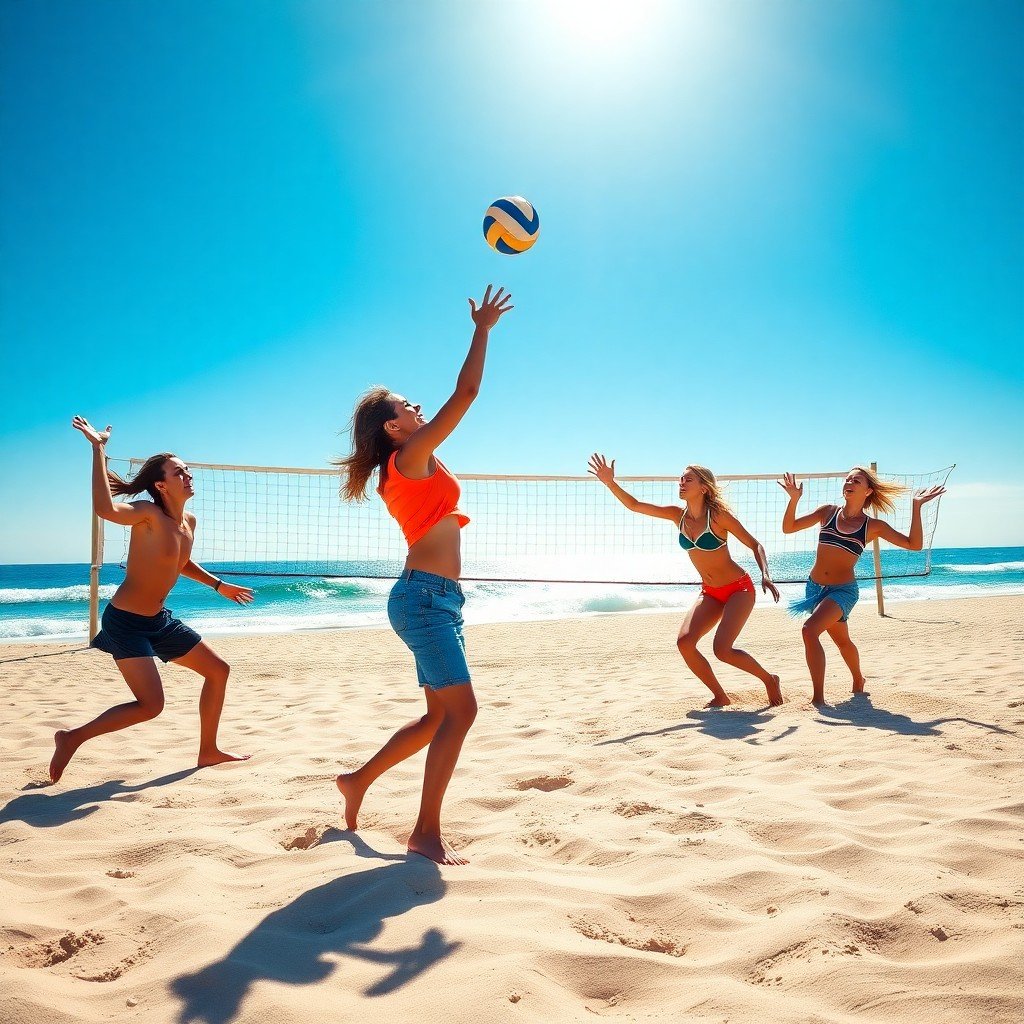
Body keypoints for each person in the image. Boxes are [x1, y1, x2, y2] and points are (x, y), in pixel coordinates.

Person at [334, 285, 513, 865]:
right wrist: (481, 329)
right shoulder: (405, 459)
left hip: (438, 600)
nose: (416, 410)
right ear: (392, 428)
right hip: (423, 600)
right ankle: (425, 833)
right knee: (462, 713)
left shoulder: (416, 459)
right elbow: (466, 393)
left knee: (439, 715)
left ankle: (358, 780)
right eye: (407, 407)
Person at [50, 417, 254, 783]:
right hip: (126, 622)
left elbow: (180, 560)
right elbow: (105, 509)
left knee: (218, 670)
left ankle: (208, 750)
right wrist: (99, 449)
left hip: (159, 620)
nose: (188, 475)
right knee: (150, 706)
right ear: (160, 484)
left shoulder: (189, 520)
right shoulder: (146, 514)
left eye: (187, 469)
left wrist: (217, 584)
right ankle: (71, 738)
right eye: (179, 472)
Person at [588, 455, 782, 707]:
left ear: (704, 487)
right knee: (685, 643)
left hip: (738, 589)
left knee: (722, 650)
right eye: (680, 478)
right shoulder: (676, 515)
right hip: (710, 592)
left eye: (687, 479)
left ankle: (769, 679)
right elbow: (634, 505)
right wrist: (609, 483)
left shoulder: (719, 516)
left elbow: (755, 545)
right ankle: (720, 696)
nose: (681, 482)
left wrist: (765, 575)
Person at [779, 466, 945, 704]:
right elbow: (789, 528)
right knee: (842, 640)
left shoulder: (873, 526)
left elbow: (914, 544)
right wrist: (794, 499)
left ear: (868, 491)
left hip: (842, 591)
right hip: (814, 588)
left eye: (856, 480)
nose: (849, 482)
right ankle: (858, 678)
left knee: (809, 630)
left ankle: (818, 699)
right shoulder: (827, 512)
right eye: (848, 479)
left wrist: (917, 507)